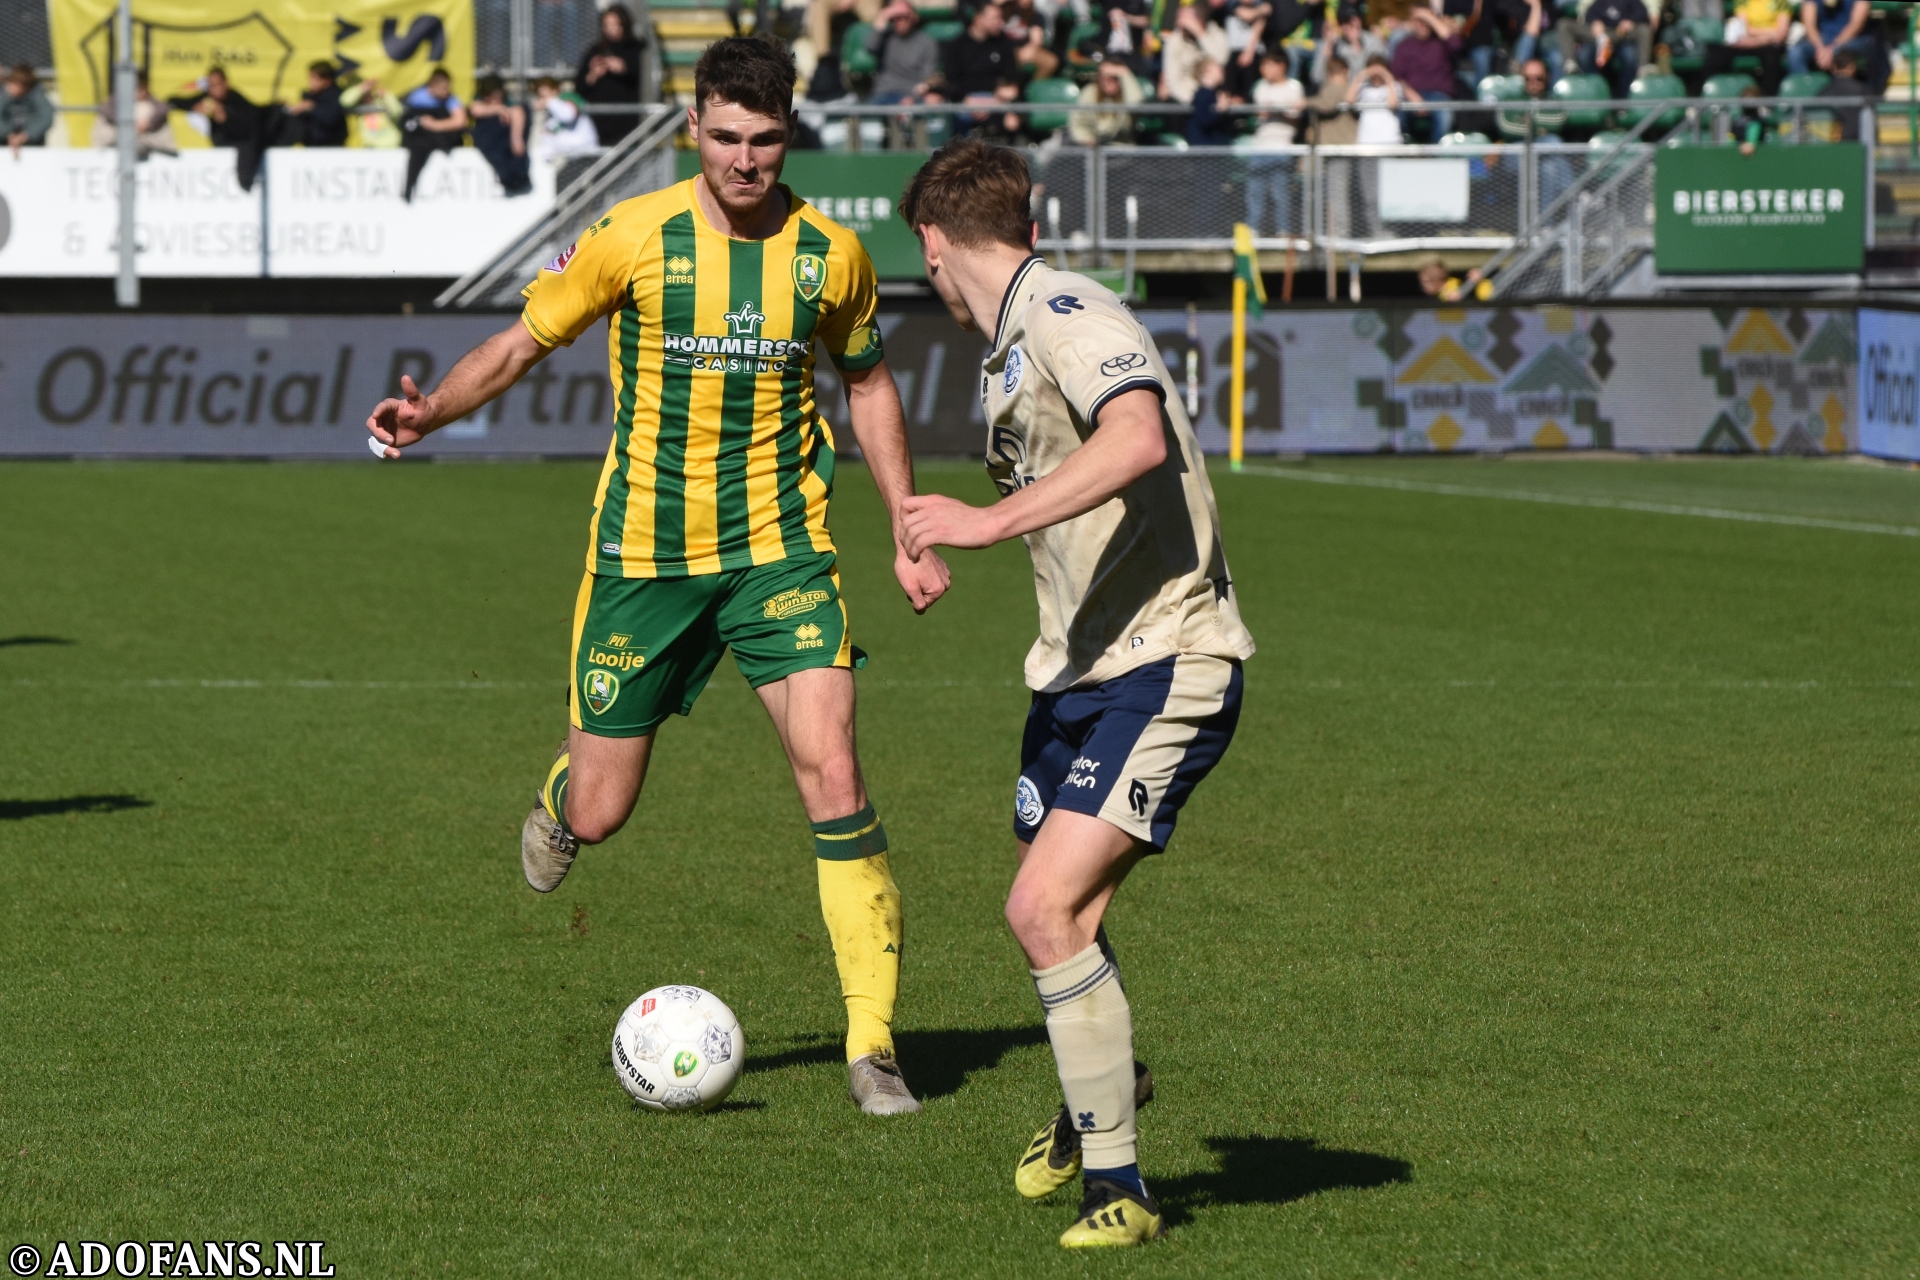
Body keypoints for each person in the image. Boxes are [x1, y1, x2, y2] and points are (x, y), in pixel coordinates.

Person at [365, 37, 949, 1117]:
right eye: (725, 137)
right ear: (693, 128)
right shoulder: (632, 235)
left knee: (837, 775)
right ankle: (559, 793)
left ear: (788, 136)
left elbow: (868, 385)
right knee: (600, 808)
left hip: (780, 552)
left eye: (765, 141)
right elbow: (523, 341)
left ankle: (872, 1044)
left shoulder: (831, 256)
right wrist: (431, 410)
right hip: (642, 560)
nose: (745, 161)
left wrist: (907, 526)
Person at [898, 136, 1255, 1250]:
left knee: (1040, 909)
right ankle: (1099, 1086)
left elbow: (1138, 436)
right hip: (1078, 672)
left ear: (933, 243)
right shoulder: (1014, 333)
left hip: (1167, 660)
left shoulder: (1060, 310)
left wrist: (984, 520)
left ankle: (1123, 1189)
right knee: (1063, 916)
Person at [1245, 49, 1303, 237]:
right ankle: (1253, 228)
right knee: (1256, 191)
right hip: (1260, 146)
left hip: (1282, 147)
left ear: (1281, 66)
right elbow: (1261, 112)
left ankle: (1283, 229)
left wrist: (1279, 110)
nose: (1264, 69)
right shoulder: (1260, 87)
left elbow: (1296, 114)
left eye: (1268, 64)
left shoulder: (1294, 87)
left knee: (1281, 193)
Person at [578, 3, 648, 145]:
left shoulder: (636, 48)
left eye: (616, 24)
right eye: (607, 24)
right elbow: (580, 86)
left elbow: (642, 78)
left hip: (627, 120)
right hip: (599, 122)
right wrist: (593, 75)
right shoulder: (595, 50)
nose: (612, 29)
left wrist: (624, 69)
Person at [1310, 55, 1364, 237]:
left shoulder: (1340, 88)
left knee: (1337, 195)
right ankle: (1332, 234)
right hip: (1329, 150)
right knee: (1330, 195)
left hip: (1339, 150)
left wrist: (1305, 102)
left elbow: (1326, 105)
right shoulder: (1340, 88)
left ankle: (1340, 236)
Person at [1391, 4, 1459, 141]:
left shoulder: (1441, 43)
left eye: (1426, 21)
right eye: (1419, 20)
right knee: (1395, 116)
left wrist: (1428, 16)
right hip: (1411, 95)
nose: (1423, 24)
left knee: (1445, 116)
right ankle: (1406, 154)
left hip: (1438, 96)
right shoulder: (1403, 45)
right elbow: (1397, 78)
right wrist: (1413, 98)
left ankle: (1435, 157)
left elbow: (1456, 44)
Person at [400, 67, 468, 202]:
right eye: (444, 88)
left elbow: (460, 121)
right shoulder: (416, 98)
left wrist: (434, 125)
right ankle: (408, 189)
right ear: (433, 85)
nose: (447, 91)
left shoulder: (450, 99)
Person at [866, 0, 946, 104]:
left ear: (914, 17)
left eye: (905, 16)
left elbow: (928, 76)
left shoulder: (926, 42)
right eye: (896, 17)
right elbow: (870, 47)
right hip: (884, 93)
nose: (901, 21)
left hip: (913, 93)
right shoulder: (885, 37)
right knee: (869, 114)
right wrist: (883, 17)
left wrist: (914, 95)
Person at [1704, 0, 1791, 96]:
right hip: (1754, 41)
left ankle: (1768, 101)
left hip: (1769, 45)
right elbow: (1744, 29)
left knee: (1771, 58)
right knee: (1716, 55)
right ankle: (1710, 97)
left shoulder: (1781, 2)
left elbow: (1782, 32)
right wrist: (1769, 35)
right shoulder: (1743, 1)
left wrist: (1758, 34)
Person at [469, 74, 533, 195]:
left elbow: (517, 112)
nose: (494, 99)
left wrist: (516, 139)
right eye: (490, 96)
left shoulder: (509, 103)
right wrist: (498, 109)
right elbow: (475, 110)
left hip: (507, 142)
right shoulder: (480, 101)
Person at [945, 3, 1023, 101]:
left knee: (1011, 115)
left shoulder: (1004, 44)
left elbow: (1011, 79)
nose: (1001, 22)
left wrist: (997, 98)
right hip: (965, 101)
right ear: (979, 19)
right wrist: (967, 99)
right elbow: (952, 82)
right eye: (996, 18)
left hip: (997, 101)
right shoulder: (957, 46)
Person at [1789, 0, 1878, 85]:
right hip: (1822, 39)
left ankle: (1842, 92)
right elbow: (1809, 24)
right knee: (1796, 52)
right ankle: (1804, 92)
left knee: (1841, 54)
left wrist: (1833, 48)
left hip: (1853, 39)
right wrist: (1820, 47)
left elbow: (1856, 24)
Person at [1159, 4, 1230, 106]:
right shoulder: (1174, 41)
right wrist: (1194, 100)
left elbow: (1220, 61)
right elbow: (1173, 80)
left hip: (1213, 95)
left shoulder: (1217, 34)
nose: (1180, 23)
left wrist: (1200, 34)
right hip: (1185, 99)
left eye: (1186, 19)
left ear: (1200, 20)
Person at [1577, 0, 1649, 96]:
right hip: (1602, 39)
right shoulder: (1600, 2)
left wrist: (1631, 21)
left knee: (1630, 55)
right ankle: (1599, 92)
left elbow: (1643, 15)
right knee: (1584, 54)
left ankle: (1626, 95)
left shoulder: (1632, 1)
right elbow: (1589, 16)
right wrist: (1595, 23)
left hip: (1623, 39)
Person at [98, 73, 177, 159]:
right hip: (117, 142)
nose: (142, 91)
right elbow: (106, 110)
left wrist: (148, 122)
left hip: (147, 143)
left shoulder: (149, 100)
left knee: (143, 107)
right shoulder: (117, 99)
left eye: (143, 87)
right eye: (137, 88)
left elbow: (163, 108)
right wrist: (128, 123)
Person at [1070, 59, 1143, 145]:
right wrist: (1085, 138)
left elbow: (1135, 104)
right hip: (1093, 148)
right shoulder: (1090, 92)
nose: (1107, 81)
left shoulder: (1127, 93)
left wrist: (1125, 73)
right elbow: (1077, 124)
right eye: (1103, 76)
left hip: (1122, 148)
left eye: (1113, 77)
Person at [1311, 3, 1386, 87]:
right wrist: (1328, 45)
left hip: (1371, 89)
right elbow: (1317, 77)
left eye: (1351, 21)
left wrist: (1357, 44)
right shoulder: (1335, 45)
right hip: (1345, 92)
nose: (1347, 26)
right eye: (1342, 22)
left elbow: (1383, 70)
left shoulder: (1373, 41)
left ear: (1359, 20)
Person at [530, 75, 601, 160]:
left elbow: (569, 115)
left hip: (585, 153)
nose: (543, 99)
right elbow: (549, 134)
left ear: (556, 89)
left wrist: (550, 101)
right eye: (541, 96)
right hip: (570, 156)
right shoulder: (551, 113)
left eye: (546, 94)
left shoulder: (568, 96)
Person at [279, 60, 347, 147]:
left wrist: (312, 107)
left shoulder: (335, 96)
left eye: (314, 78)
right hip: (311, 146)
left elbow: (331, 118)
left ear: (326, 80)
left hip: (331, 147)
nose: (310, 82)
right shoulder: (311, 95)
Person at [1815, 48, 1870, 140]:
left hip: (1831, 147)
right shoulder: (1863, 91)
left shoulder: (1824, 92)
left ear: (1834, 67)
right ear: (1852, 67)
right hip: (1859, 145)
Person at [1183, 59, 1239, 144]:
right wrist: (1219, 109)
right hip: (1205, 149)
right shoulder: (1202, 95)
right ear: (1207, 71)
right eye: (1217, 67)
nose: (1222, 70)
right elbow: (1203, 118)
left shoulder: (1214, 94)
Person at [4, 64, 55, 156]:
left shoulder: (36, 95)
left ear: (25, 86)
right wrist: (8, 134)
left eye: (16, 84)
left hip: (33, 147)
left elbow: (46, 116)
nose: (11, 87)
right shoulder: (4, 95)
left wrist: (26, 136)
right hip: (4, 145)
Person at [341, 76, 403, 148]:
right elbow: (344, 101)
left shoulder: (381, 101)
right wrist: (361, 88)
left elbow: (398, 112)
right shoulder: (358, 106)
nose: (366, 95)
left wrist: (386, 96)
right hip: (370, 147)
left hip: (392, 146)